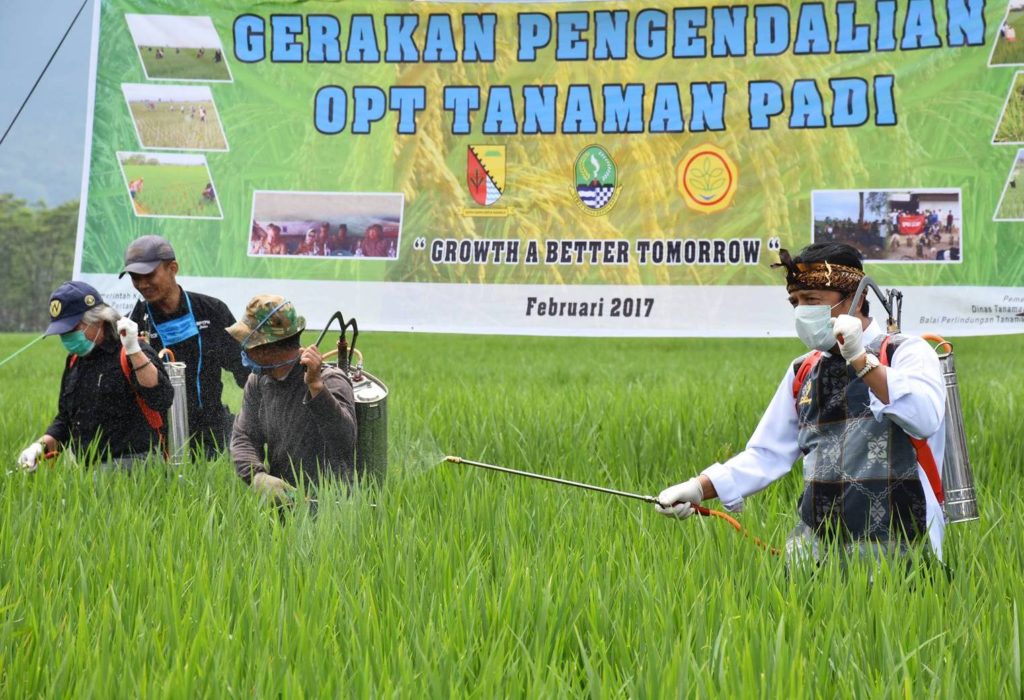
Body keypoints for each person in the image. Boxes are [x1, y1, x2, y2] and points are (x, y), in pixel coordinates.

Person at [655, 243, 947, 570]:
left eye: (812, 301)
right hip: (816, 555)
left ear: (855, 301)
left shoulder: (906, 353)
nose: (802, 312)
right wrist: (697, 488)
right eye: (796, 302)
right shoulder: (803, 370)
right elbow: (767, 454)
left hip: (902, 549)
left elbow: (924, 418)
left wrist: (861, 361)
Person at [16, 281, 173, 471]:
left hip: (135, 467)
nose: (66, 338)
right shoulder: (75, 360)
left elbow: (162, 398)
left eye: (71, 330)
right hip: (87, 469)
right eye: (61, 333)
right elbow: (66, 420)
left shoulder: (129, 352)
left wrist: (134, 350)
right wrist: (38, 448)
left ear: (98, 320)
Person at [122, 236, 250, 458]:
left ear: (173, 268)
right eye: (135, 277)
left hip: (213, 429)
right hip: (158, 437)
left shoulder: (211, 311)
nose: (142, 285)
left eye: (149, 275)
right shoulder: (133, 326)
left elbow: (244, 369)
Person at [228, 295, 357, 501]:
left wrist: (316, 387)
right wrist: (257, 476)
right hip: (284, 503)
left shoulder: (330, 381)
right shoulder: (258, 382)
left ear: (266, 348)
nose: (243, 350)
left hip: (333, 507)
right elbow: (244, 436)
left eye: (248, 344)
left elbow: (344, 443)